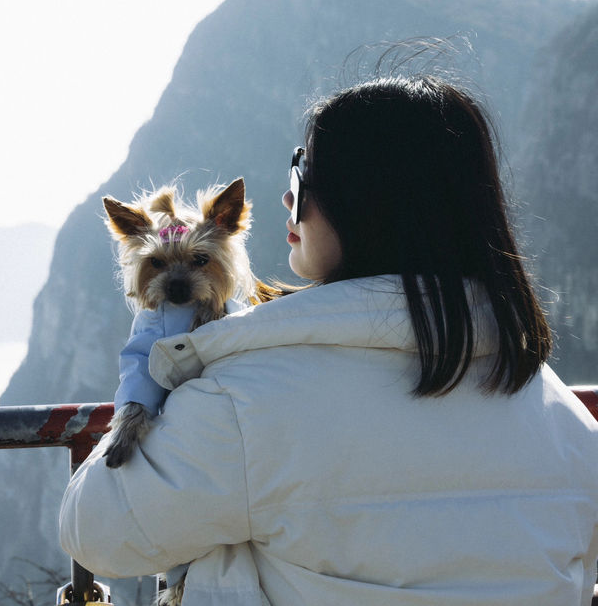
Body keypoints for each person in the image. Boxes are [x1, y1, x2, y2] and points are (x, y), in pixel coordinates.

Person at [60, 75, 598, 605]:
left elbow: (94, 531)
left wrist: (144, 403)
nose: (288, 195)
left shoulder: (242, 403)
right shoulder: (565, 420)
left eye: (303, 172)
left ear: (366, 198)